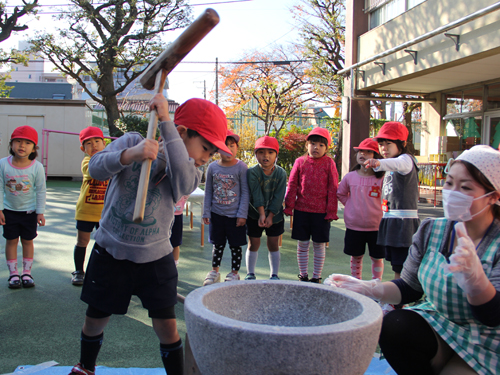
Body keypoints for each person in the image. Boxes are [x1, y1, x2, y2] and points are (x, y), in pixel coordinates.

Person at [68, 95, 231, 375]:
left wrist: (167, 122)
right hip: (110, 252)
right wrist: (129, 155)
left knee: (166, 324)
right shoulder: (133, 141)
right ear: (184, 133)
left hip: (155, 257)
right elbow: (96, 167)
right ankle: (86, 366)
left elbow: (182, 183)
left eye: (211, 153)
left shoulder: (191, 167)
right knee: (95, 317)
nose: (206, 156)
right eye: (205, 147)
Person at [330, 145, 500, 375]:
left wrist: (477, 282)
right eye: (449, 183)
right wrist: (369, 289)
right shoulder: (432, 230)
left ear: (493, 197)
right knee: (396, 325)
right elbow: (409, 288)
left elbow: (492, 317)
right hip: (441, 324)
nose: (453, 191)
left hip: (487, 339)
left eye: (466, 187)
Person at [364, 121, 420, 279]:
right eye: (381, 144)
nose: (384, 148)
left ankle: (397, 301)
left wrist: (379, 162)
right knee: (396, 264)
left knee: (400, 266)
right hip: (390, 220)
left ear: (402, 144)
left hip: (403, 222)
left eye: (389, 143)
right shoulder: (390, 165)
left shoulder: (406, 160)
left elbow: (398, 163)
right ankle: (397, 299)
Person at [284, 127, 338, 283]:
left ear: (326, 148)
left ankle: (316, 276)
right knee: (303, 244)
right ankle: (303, 274)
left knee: (319, 245)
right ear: (307, 144)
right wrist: (289, 205)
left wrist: (331, 211)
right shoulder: (300, 162)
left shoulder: (329, 163)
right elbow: (293, 183)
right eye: (313, 143)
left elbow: (333, 187)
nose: (316, 148)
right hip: (302, 210)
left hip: (321, 212)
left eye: (321, 145)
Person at [202, 129, 249, 285]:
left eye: (232, 145)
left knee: (235, 247)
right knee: (218, 245)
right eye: (224, 146)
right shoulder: (212, 168)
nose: (228, 149)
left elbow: (245, 193)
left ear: (237, 148)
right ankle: (214, 272)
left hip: (235, 217)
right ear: (217, 148)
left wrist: (242, 214)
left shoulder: (241, 167)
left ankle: (234, 273)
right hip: (217, 214)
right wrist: (206, 211)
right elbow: (208, 191)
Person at [1, 125, 46, 289]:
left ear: (34, 148)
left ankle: (26, 273)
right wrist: (0, 209)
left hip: (29, 213)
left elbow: (41, 190)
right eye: (18, 141)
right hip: (9, 212)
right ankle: (13, 274)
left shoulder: (37, 167)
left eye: (27, 143)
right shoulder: (3, 164)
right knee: (11, 241)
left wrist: (40, 212)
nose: (22, 146)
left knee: (28, 241)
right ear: (11, 144)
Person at [337, 138, 385, 281]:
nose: (362, 154)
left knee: (377, 257)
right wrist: (351, 206)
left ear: (376, 157)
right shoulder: (350, 177)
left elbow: (388, 197)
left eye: (368, 152)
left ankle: (376, 284)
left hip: (377, 226)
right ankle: (355, 282)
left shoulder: (382, 178)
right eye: (360, 151)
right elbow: (340, 193)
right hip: (354, 226)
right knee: (356, 256)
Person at [245, 136, 286, 280]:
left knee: (273, 243)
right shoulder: (252, 172)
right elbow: (256, 195)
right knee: (253, 242)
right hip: (254, 214)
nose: (266, 156)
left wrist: (270, 216)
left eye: (270, 152)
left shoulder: (281, 173)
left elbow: (279, 197)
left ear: (276, 155)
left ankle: (274, 274)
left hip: (275, 216)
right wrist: (262, 214)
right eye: (261, 152)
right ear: (256, 154)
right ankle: (250, 273)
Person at [72, 127, 108, 286]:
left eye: (97, 141)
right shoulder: (87, 161)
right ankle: (79, 271)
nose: (94, 145)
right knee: (82, 241)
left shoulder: (109, 159)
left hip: (106, 213)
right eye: (89, 143)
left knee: (105, 244)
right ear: (83, 148)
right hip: (86, 211)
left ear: (104, 143)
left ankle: (103, 272)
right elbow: (93, 171)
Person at [171, 195, 189, 267]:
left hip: (177, 213)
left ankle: (174, 265)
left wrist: (184, 199)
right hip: (163, 213)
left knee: (175, 243)